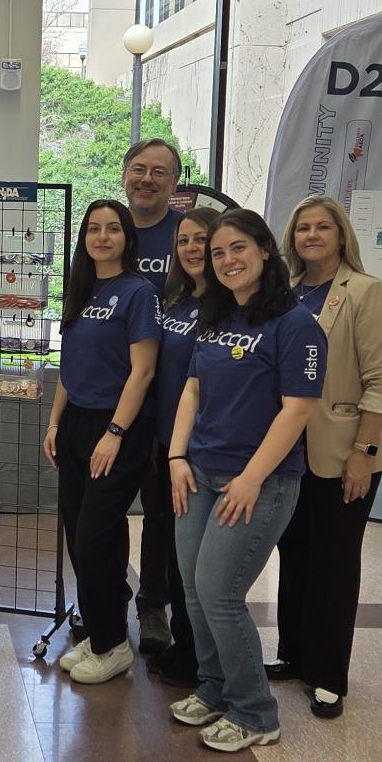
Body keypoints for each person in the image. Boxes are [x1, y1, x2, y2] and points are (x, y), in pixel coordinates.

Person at [164, 209, 325, 753]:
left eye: (238, 248)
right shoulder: (216, 317)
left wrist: (252, 478)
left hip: (258, 483)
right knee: (193, 590)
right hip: (199, 473)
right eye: (218, 253)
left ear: (264, 250)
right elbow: (192, 390)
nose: (227, 260)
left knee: (220, 593)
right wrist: (177, 456)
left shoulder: (296, 324)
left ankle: (255, 713)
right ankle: (214, 688)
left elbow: (298, 410)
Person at [265, 194, 382, 720]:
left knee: (334, 564)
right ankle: (294, 654)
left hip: (343, 451)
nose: (312, 236)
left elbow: (380, 382)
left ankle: (327, 675)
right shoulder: (286, 293)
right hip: (289, 450)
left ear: (341, 235)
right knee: (294, 556)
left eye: (323, 227)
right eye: (303, 228)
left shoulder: (365, 292)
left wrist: (363, 453)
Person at [41, 199, 160, 685]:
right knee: (79, 535)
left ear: (128, 238)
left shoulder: (139, 292)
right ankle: (98, 632)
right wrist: (54, 423)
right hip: (75, 423)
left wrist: (115, 432)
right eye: (94, 229)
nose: (102, 237)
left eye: (113, 229)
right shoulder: (81, 290)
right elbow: (70, 368)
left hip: (118, 428)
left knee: (96, 537)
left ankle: (113, 645)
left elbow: (143, 371)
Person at [143, 206, 220, 688]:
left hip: (200, 449)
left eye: (201, 239)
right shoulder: (174, 299)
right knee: (174, 549)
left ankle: (200, 657)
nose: (192, 248)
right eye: (184, 240)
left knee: (196, 560)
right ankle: (184, 643)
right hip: (165, 443)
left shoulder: (229, 305)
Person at [122, 138, 185, 656]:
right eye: (139, 169)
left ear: (174, 182)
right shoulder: (106, 230)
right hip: (113, 397)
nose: (147, 179)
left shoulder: (187, 236)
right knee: (103, 508)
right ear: (125, 175)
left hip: (170, 400)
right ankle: (103, 597)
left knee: (163, 513)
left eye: (159, 171)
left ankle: (153, 607)